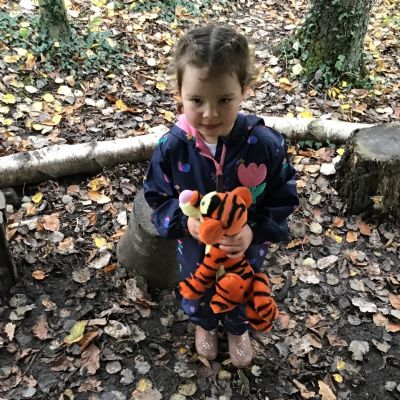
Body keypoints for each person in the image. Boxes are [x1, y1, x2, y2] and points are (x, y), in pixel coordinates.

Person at [143, 25, 298, 368]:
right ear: (179, 93)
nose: (210, 114)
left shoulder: (264, 145)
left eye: (224, 100)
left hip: (245, 247)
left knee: (240, 284)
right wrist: (185, 223)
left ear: (243, 90)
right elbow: (156, 194)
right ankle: (205, 324)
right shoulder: (172, 147)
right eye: (197, 101)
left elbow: (283, 195)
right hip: (195, 246)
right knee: (197, 284)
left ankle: (237, 328)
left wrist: (253, 230)